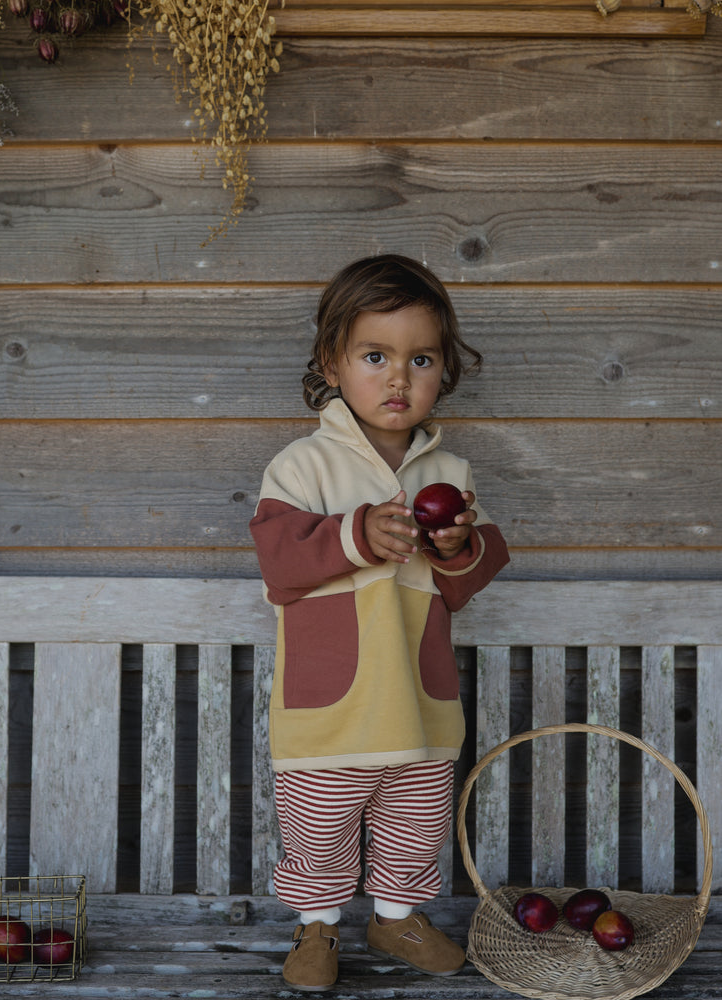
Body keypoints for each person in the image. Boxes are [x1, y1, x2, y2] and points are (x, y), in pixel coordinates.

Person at [249, 253, 509, 991]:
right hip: (331, 712)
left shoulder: (448, 478)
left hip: (420, 704)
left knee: (414, 824)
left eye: (420, 358)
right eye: (375, 355)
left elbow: (473, 575)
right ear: (333, 364)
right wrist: (356, 535)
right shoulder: (303, 468)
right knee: (320, 832)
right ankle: (318, 926)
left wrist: (458, 546)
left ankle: (395, 917)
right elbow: (280, 561)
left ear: (443, 371)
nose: (398, 378)